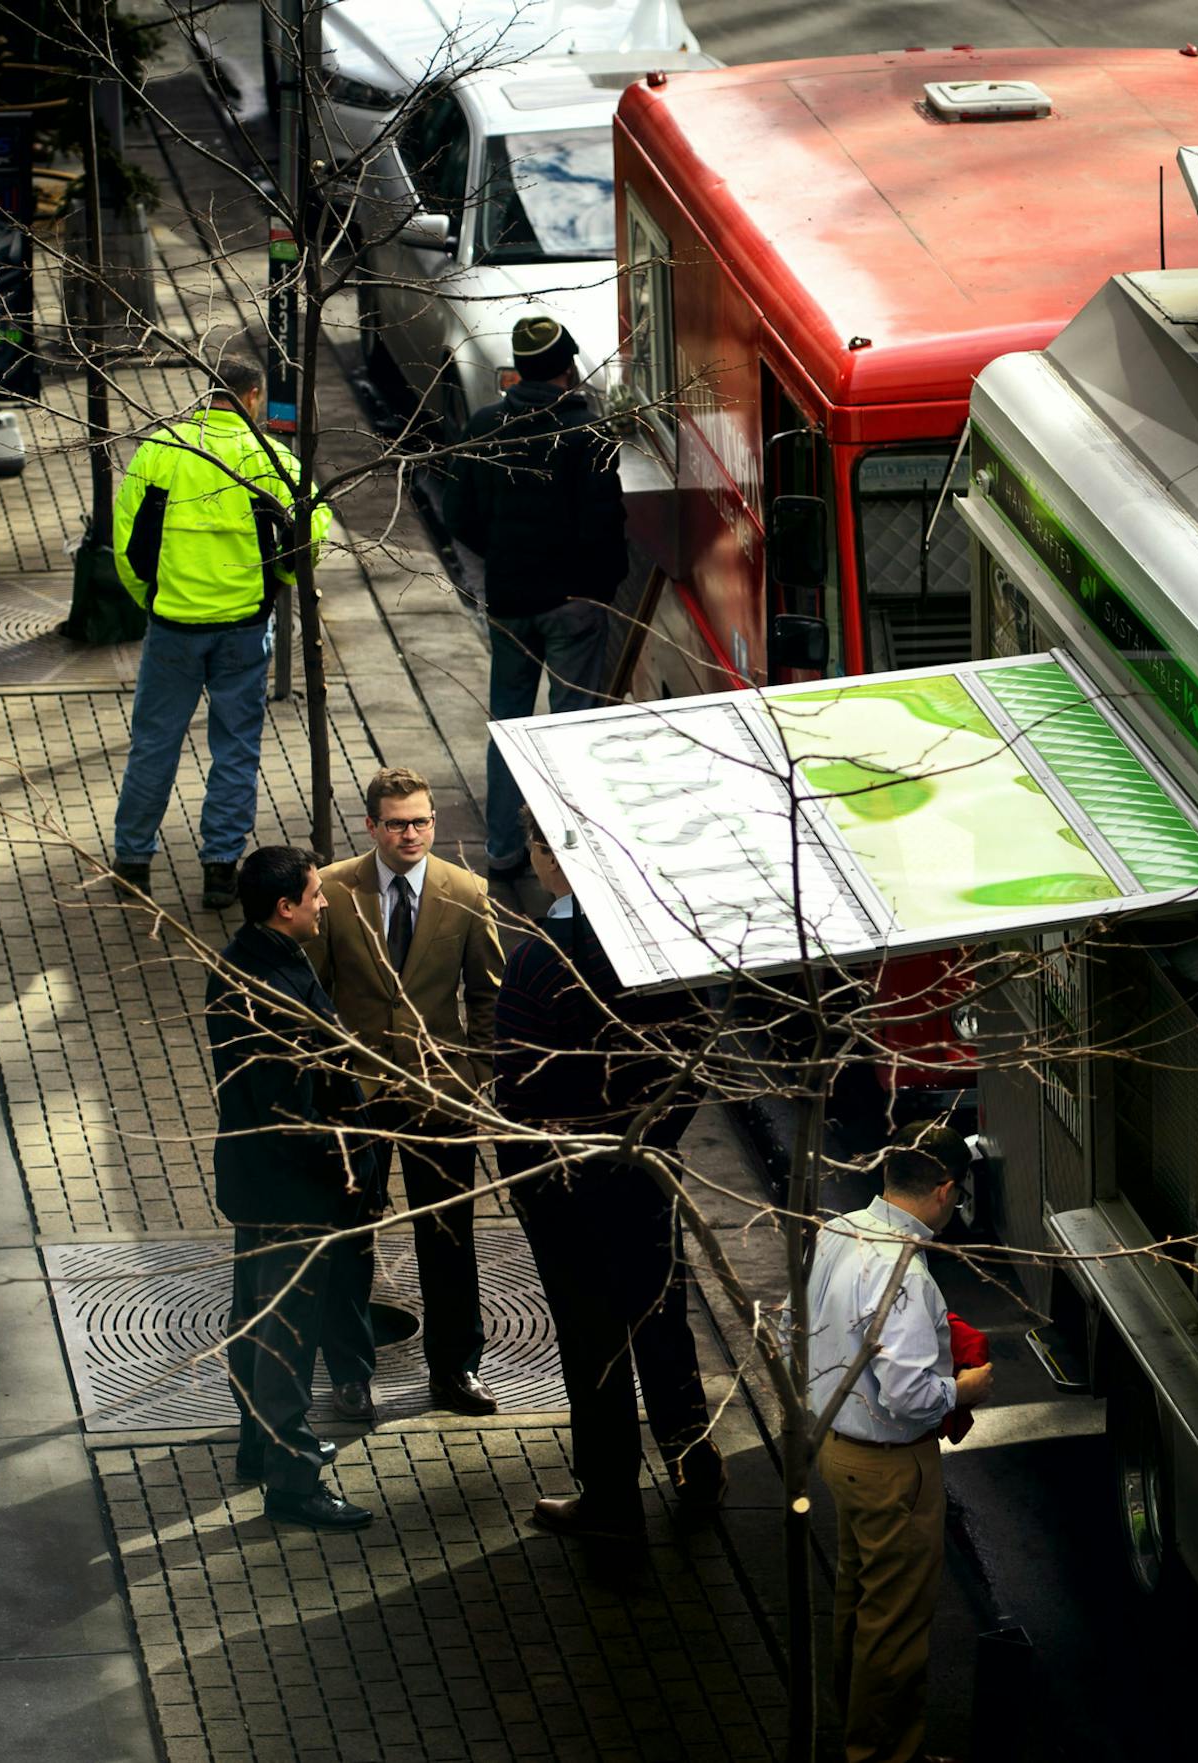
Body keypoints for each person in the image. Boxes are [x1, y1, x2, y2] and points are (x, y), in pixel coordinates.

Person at [495, 808, 724, 1537]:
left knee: (592, 1344)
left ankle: (610, 1495)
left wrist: (529, 1186)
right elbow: (694, 1064)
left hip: (566, 1191)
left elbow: (517, 1096)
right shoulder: (660, 949)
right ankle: (695, 1466)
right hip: (644, 1176)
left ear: (545, 858)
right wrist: (653, 1140)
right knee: (662, 1323)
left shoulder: (534, 961)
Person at [312, 766, 505, 1420]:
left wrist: (473, 1077)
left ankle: (456, 1368)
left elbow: (489, 996)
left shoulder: (466, 892)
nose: (411, 833)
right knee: (349, 1236)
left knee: (449, 1237)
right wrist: (328, 1085)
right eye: (397, 822)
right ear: (371, 826)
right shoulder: (335, 891)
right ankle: (349, 1375)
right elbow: (312, 1000)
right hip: (357, 1098)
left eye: (421, 820)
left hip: (439, 1096)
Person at [112, 352, 333, 909]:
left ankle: (133, 861)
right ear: (254, 397)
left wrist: (153, 601)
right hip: (242, 630)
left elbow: (126, 545)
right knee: (235, 749)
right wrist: (273, 585)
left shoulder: (161, 453)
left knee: (153, 746)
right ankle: (219, 869)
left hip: (172, 628)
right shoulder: (269, 460)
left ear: (208, 392)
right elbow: (312, 532)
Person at [806, 1125, 995, 1763]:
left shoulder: (837, 1231)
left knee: (858, 1606)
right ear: (944, 1190)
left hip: (838, 1450)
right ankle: (886, 1755)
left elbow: (791, 1326)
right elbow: (910, 1396)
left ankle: (861, 1734)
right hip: (891, 1471)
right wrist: (964, 1389)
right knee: (895, 1627)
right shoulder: (906, 1277)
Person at [206, 845, 372, 1530]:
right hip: (290, 1190)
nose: (323, 902)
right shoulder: (270, 988)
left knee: (254, 1321)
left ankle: (261, 1447)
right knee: (284, 1337)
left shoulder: (250, 955)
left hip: (257, 1181)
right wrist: (348, 1160)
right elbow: (287, 1113)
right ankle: (292, 1478)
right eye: (314, 894)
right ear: (285, 907)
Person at [441, 313, 627, 881]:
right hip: (573, 605)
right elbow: (606, 529)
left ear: (521, 371)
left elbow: (460, 517)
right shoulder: (589, 435)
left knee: (510, 727)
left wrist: (502, 563)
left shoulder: (484, 427)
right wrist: (597, 591)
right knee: (571, 729)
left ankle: (503, 848)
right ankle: (573, 854)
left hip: (512, 603)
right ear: (568, 369)